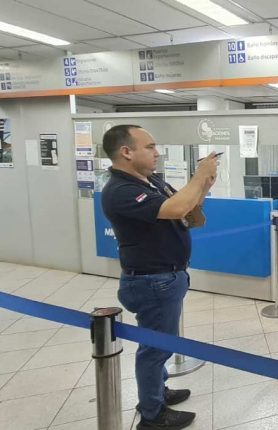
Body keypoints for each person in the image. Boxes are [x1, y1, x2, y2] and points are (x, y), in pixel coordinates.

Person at [101, 124, 217, 430]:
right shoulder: (120, 191)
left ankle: (157, 391)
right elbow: (177, 205)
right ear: (126, 152)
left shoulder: (149, 181)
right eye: (150, 147)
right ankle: (152, 414)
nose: (157, 152)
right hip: (152, 281)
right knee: (155, 349)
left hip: (166, 277)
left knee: (160, 344)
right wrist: (198, 173)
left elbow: (185, 211)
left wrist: (203, 186)